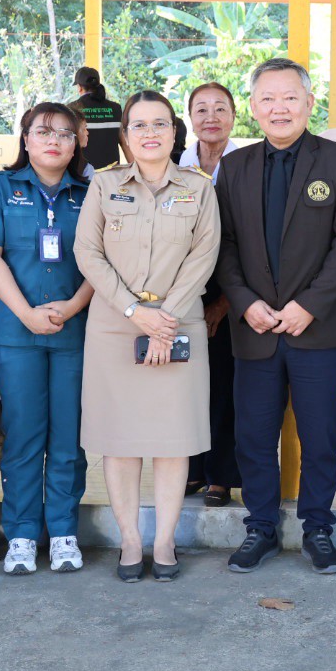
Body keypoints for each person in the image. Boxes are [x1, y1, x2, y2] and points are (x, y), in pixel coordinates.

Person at [213, 57, 336, 575]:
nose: (279, 108)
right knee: (254, 437)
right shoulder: (235, 166)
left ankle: (318, 527)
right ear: (254, 107)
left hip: (317, 328)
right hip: (254, 327)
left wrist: (309, 305)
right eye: (268, 99)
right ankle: (260, 526)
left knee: (320, 437)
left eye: (289, 97)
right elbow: (222, 244)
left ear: (309, 102)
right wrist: (244, 302)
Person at [76, 91, 220, 582]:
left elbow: (204, 256)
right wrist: (137, 312)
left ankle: (164, 541)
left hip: (178, 325)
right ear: (125, 135)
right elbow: (88, 253)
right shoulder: (104, 184)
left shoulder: (198, 188)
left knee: (172, 440)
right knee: (119, 440)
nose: (150, 133)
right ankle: (130, 541)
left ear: (175, 132)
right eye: (139, 125)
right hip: (116, 326)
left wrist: (165, 319)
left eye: (160, 123)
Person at [0, 102, 94, 576]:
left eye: (64, 133)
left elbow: (105, 260)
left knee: (68, 437)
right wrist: (26, 314)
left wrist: (72, 306)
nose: (54, 141)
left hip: (75, 331)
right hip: (14, 333)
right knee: (22, 434)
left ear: (77, 142)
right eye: (43, 132)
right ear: (25, 139)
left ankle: (62, 532)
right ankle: (20, 534)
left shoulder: (92, 193)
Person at [179, 81, 243, 507]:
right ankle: (191, 468)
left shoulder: (248, 166)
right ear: (190, 118)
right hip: (183, 290)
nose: (211, 117)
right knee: (185, 383)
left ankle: (221, 474)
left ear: (234, 116)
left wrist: (225, 301)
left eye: (220, 108)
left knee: (224, 383)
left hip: (232, 290)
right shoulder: (175, 166)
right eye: (201, 109)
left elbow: (254, 242)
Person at [71, 67, 124, 170]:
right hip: (112, 173)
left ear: (79, 87)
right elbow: (124, 143)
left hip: (82, 173)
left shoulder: (72, 108)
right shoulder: (116, 108)